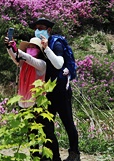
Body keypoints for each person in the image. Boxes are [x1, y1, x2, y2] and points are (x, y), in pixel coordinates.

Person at [32, 17, 81, 161]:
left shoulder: (56, 43)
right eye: (36, 28)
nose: (37, 31)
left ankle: (74, 153)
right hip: (47, 91)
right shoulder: (37, 46)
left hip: (61, 91)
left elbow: (59, 64)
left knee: (67, 122)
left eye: (40, 28)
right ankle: (52, 155)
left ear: (48, 30)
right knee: (47, 124)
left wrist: (47, 48)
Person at [6, 36, 60, 160]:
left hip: (37, 103)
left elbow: (28, 58)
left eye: (34, 47)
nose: (30, 49)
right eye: (29, 46)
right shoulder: (23, 63)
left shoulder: (41, 64)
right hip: (24, 103)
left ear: (40, 51)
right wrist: (9, 47)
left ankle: (54, 157)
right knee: (31, 134)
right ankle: (34, 156)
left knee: (47, 132)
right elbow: (15, 57)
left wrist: (16, 49)